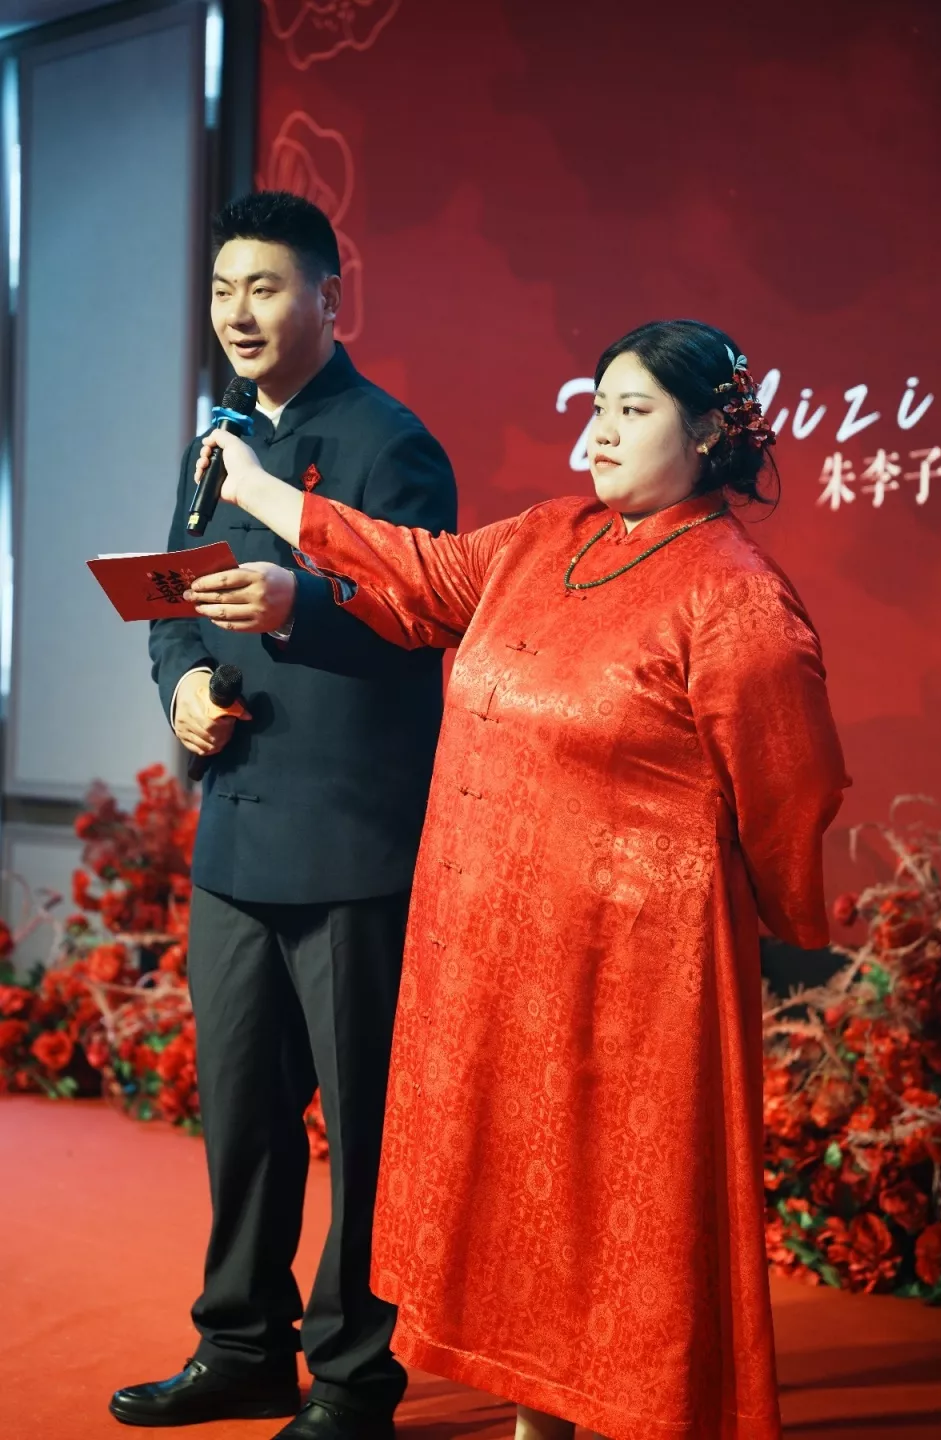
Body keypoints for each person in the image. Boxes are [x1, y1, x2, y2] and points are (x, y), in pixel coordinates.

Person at [188, 319, 850, 1440]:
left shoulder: (736, 598)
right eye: (598, 407)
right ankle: (535, 1417)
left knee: (613, 1216)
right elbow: (412, 569)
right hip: (496, 953)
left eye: (635, 411)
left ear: (709, 433)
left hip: (633, 975)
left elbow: (791, 784)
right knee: (516, 1208)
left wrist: (774, 925)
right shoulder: (549, 534)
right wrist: (254, 491)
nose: (603, 431)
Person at [110, 191, 457, 1440]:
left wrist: (302, 602)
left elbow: (425, 618)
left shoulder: (392, 443)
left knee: (362, 1133)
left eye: (264, 288)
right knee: (244, 1120)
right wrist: (183, 684)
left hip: (355, 845)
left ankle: (355, 1380)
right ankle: (241, 1349)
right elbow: (172, 603)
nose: (238, 313)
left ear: (328, 297)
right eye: (223, 291)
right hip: (238, 837)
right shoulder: (215, 443)